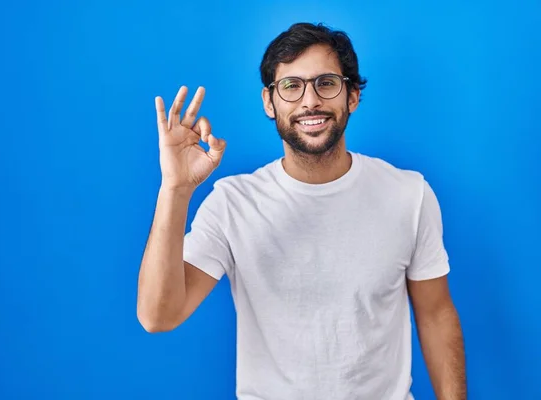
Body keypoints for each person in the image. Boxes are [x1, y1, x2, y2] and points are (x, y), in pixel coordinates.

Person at [137, 22, 466, 400]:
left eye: (326, 83)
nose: (309, 101)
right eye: (291, 86)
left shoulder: (409, 194)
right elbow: (158, 316)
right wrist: (175, 190)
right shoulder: (233, 204)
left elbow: (437, 314)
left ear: (353, 96)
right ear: (269, 102)